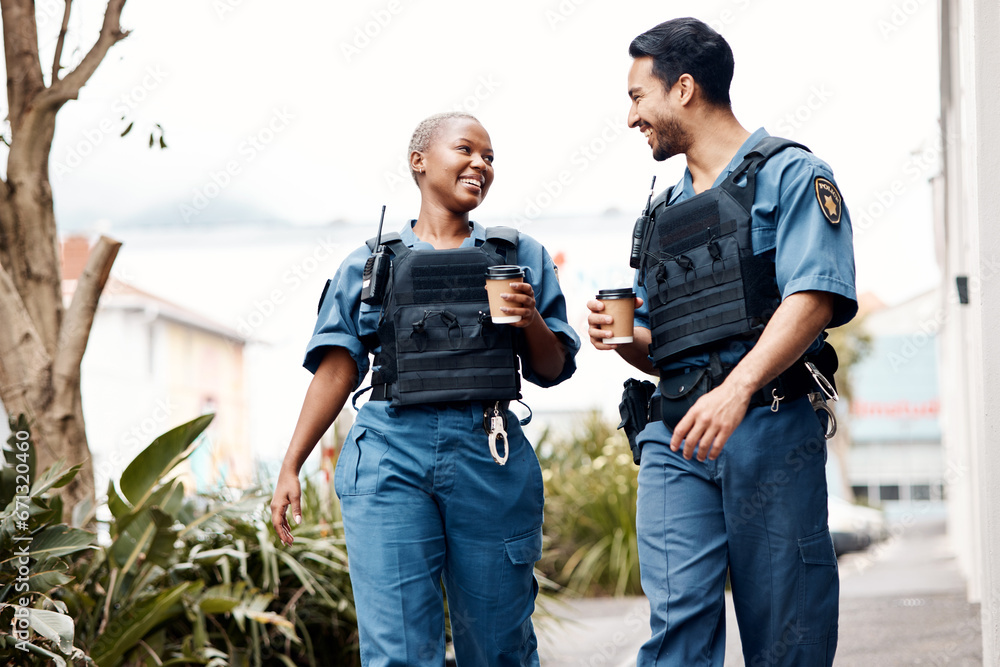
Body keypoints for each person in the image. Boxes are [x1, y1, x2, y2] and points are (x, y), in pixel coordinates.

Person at [586, 18, 857, 667]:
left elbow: (813, 297)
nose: (631, 118)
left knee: (787, 629)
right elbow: (663, 347)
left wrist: (737, 390)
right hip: (676, 432)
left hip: (768, 423)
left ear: (683, 88)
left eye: (636, 97)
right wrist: (620, 337)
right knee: (676, 625)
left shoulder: (792, 174)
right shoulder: (660, 214)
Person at [271, 111, 580, 667]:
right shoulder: (370, 265)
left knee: (499, 647)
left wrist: (528, 318)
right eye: (466, 150)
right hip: (390, 453)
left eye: (489, 158)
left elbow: (552, 367)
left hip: (488, 452)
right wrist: (292, 464)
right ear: (419, 161)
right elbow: (338, 367)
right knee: (399, 654)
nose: (480, 165)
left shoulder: (518, 255)